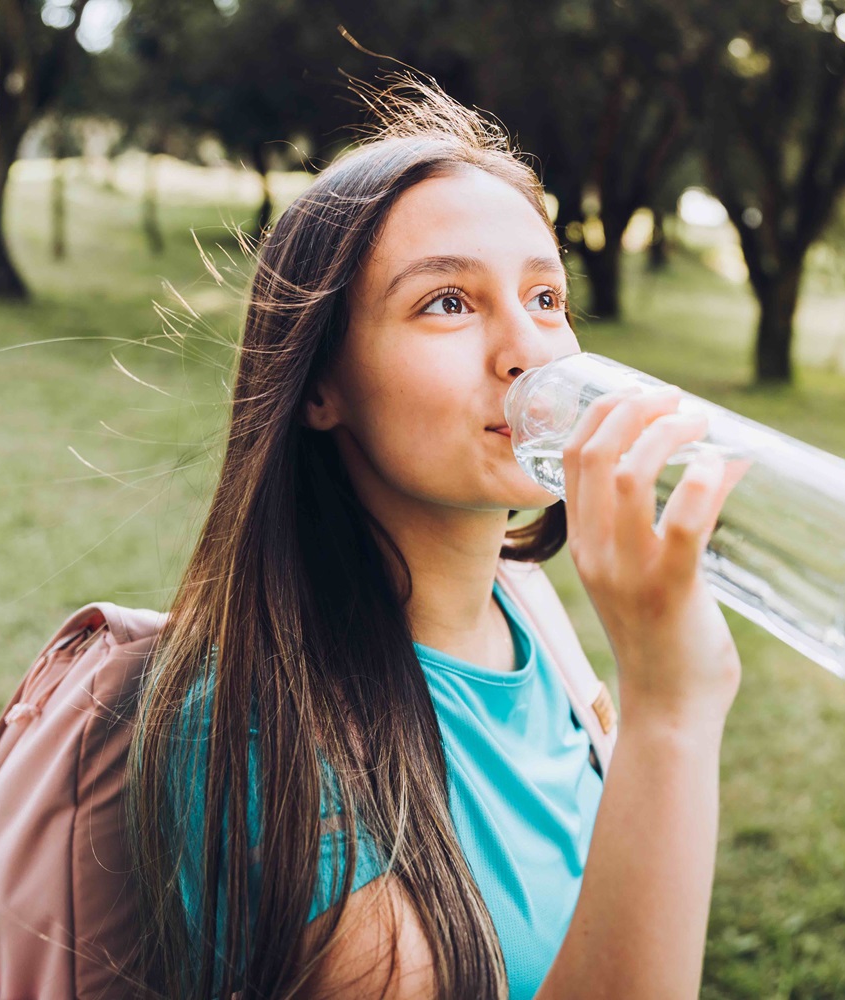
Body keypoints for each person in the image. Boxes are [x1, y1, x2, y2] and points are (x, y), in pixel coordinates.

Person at [126, 77, 748, 1000]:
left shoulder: (525, 608)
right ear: (319, 388)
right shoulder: (262, 726)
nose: (529, 352)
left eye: (546, 297)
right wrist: (668, 713)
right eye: (447, 303)